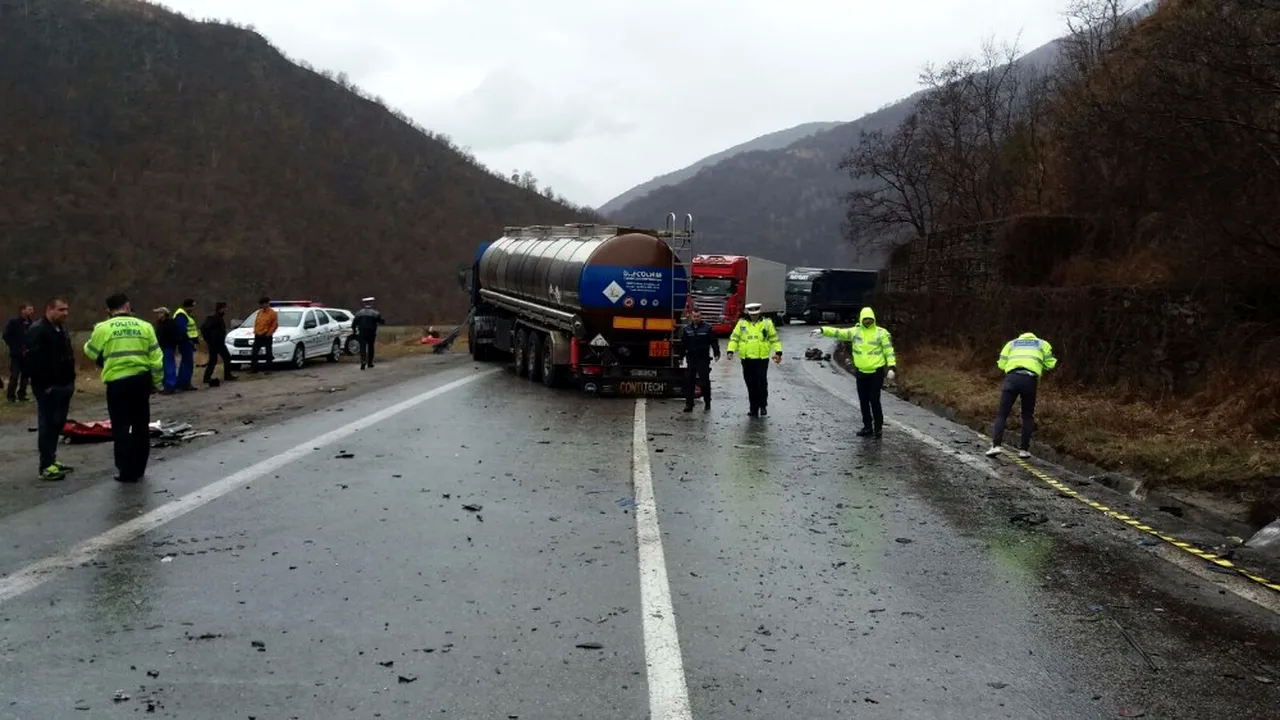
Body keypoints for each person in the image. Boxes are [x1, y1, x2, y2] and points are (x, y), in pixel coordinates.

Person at [84, 293, 163, 483]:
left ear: (108, 310)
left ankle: (126, 471)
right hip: (141, 381)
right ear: (127, 306)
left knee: (120, 427)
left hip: (117, 383)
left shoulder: (103, 328)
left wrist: (104, 359)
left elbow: (90, 350)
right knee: (140, 426)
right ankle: (139, 468)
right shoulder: (145, 327)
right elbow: (156, 358)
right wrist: (156, 381)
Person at [813, 306, 897, 437]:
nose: (867, 322)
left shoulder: (881, 333)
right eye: (865, 319)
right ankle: (867, 426)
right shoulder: (856, 332)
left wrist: (891, 367)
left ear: (873, 319)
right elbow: (838, 333)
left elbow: (888, 351)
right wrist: (823, 330)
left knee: (874, 400)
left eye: (870, 319)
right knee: (863, 401)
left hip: (876, 372)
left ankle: (878, 428)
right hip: (861, 372)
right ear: (862, 319)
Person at [24, 298, 75, 481]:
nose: (65, 313)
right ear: (50, 309)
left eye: (66, 309)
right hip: (47, 386)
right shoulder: (38, 330)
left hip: (64, 383)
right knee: (47, 423)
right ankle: (45, 465)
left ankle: (52, 459)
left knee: (57, 423)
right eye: (61, 310)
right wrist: (44, 384)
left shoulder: (61, 329)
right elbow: (31, 361)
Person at [984, 332, 1058, 459]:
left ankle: (995, 446)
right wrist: (1038, 366)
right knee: (1027, 415)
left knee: (1002, 413)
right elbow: (1051, 364)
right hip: (1030, 380)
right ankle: (1024, 450)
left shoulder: (1011, 344)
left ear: (1021, 336)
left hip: (1012, 378)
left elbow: (1001, 364)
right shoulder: (1042, 344)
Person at [726, 302, 782, 417]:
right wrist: (730, 351)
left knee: (761, 383)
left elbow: (774, 338)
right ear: (749, 313)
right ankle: (753, 408)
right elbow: (734, 338)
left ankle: (763, 405)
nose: (754, 316)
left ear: (759, 313)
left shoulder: (767, 323)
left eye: (756, 314)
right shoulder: (742, 323)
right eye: (752, 314)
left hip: (762, 359)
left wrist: (778, 352)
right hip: (747, 359)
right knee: (750, 384)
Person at [677, 307, 720, 412]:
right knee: (690, 382)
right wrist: (681, 357)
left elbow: (713, 341)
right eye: (694, 316)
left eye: (698, 316)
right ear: (691, 317)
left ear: (701, 317)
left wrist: (716, 353)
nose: (696, 318)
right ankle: (689, 405)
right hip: (691, 359)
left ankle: (707, 402)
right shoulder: (687, 329)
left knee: (704, 382)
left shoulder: (707, 328)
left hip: (703, 359)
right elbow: (683, 344)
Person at [3, 303, 35, 403]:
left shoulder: (31, 323)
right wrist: (15, 347)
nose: (31, 312)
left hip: (27, 354)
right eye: (29, 309)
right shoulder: (14, 322)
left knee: (25, 376)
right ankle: (10, 396)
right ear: (23, 310)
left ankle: (22, 395)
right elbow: (6, 335)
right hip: (16, 354)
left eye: (32, 310)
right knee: (15, 375)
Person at [200, 301, 237, 385]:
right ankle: (207, 377)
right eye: (224, 308)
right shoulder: (213, 317)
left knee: (226, 357)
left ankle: (227, 375)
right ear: (221, 309)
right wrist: (208, 339)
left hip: (220, 342)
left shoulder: (219, 317)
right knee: (213, 360)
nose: (225, 310)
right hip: (214, 343)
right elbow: (204, 328)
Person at [171, 298, 199, 391]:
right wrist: (189, 340)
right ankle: (185, 384)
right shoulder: (181, 315)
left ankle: (182, 383)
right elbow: (182, 329)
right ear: (188, 306)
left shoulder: (183, 314)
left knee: (185, 363)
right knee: (187, 363)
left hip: (187, 341)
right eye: (192, 306)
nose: (193, 309)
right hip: (186, 342)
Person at [152, 307, 182, 394]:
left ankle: (170, 385)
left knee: (169, 366)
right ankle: (165, 385)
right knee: (163, 367)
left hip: (168, 347)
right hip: (160, 348)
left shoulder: (171, 323)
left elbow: (176, 334)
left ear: (164, 314)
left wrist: (173, 344)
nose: (158, 315)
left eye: (160, 313)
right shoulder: (159, 324)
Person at [351, 297, 385, 369]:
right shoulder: (375, 313)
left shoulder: (359, 313)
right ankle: (370, 363)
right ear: (371, 304)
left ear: (364, 304)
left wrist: (354, 331)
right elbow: (381, 321)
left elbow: (354, 323)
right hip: (371, 332)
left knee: (362, 347)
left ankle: (363, 361)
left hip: (362, 332)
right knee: (371, 347)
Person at [249, 296, 278, 373]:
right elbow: (256, 323)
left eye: (263, 304)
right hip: (258, 335)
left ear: (267, 304)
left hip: (266, 335)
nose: (262, 306)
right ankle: (254, 368)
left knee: (268, 353)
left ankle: (268, 369)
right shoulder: (259, 312)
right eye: (261, 305)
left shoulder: (273, 313)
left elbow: (274, 325)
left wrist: (269, 333)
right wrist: (255, 331)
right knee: (254, 352)